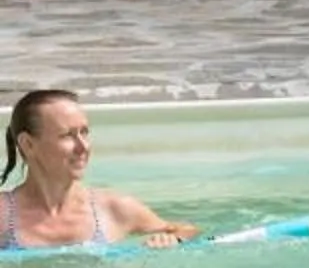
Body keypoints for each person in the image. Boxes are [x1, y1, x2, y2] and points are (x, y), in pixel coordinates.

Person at [1, 90, 195, 251]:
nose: (83, 146)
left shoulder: (114, 208)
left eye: (84, 132)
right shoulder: (3, 215)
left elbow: (186, 230)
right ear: (28, 144)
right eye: (67, 135)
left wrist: (172, 240)